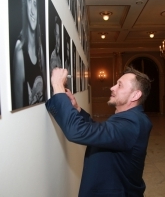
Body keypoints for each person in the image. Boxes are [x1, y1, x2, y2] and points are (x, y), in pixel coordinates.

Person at [46, 67, 153, 197]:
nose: (112, 88)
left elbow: (76, 131)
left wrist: (58, 86)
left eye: (119, 85)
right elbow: (103, 135)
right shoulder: (131, 118)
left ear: (135, 95)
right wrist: (77, 108)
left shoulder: (132, 123)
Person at [12, 0, 46, 109]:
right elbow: (18, 109)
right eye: (29, 2)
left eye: (35, 4)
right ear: (25, 6)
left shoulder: (40, 49)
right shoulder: (20, 51)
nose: (32, 11)